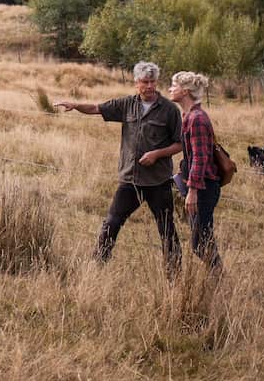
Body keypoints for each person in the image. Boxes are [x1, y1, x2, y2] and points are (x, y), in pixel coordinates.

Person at [55, 62, 183, 275]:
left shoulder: (169, 110)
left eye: (153, 82)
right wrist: (75, 105)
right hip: (130, 180)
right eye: (145, 82)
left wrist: (156, 154)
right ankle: (96, 267)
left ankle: (175, 274)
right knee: (111, 223)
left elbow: (179, 143)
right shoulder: (127, 105)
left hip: (158, 181)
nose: (150, 86)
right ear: (136, 84)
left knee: (167, 229)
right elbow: (97, 108)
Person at [168, 71, 223, 275]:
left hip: (204, 188)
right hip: (200, 187)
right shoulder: (188, 116)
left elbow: (200, 158)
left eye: (173, 85)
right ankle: (217, 277)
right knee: (202, 239)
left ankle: (219, 278)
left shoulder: (197, 119)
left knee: (200, 243)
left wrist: (192, 191)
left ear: (184, 91)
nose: (170, 89)